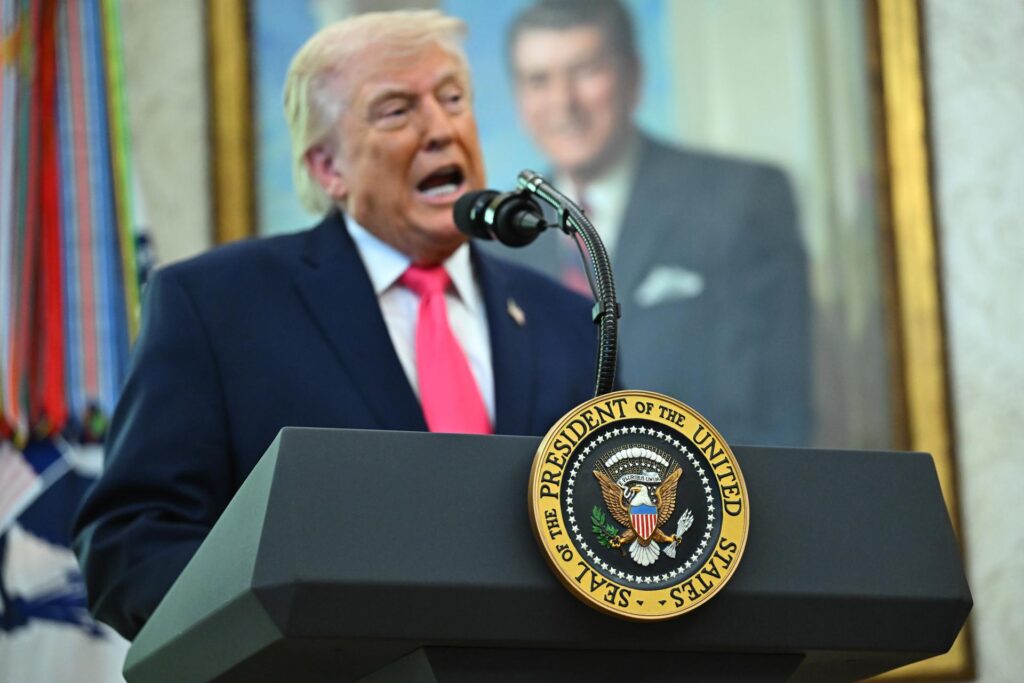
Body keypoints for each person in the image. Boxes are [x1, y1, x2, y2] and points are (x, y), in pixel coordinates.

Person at [72, 11, 597, 641]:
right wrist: (291, 638)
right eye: (396, 111)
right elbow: (131, 541)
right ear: (328, 168)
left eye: (453, 99)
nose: (441, 128)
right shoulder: (216, 307)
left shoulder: (570, 321)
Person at [500, 0, 812, 447]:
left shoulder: (741, 199)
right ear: (518, 99)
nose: (563, 103)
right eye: (538, 80)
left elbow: (781, 409)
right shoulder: (500, 239)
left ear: (634, 77)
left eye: (586, 71)